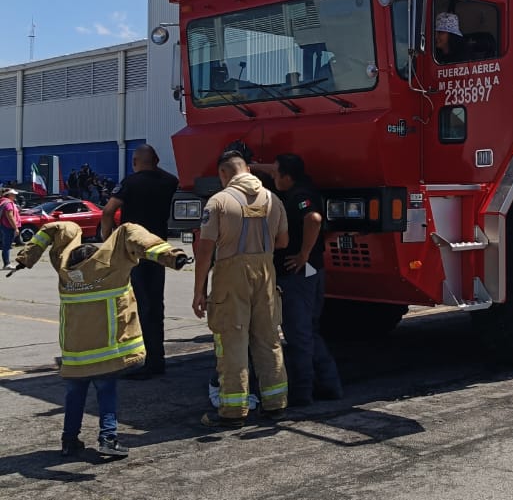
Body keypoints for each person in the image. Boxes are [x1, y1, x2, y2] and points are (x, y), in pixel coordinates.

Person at [14, 219, 189, 458]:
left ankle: (69, 441)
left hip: (75, 355)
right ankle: (108, 438)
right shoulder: (109, 273)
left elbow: (57, 229)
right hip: (105, 351)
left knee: (74, 396)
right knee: (106, 394)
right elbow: (133, 234)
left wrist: (26, 257)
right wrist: (171, 256)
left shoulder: (65, 274)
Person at [192, 151, 289, 428]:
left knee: (231, 341)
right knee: (268, 339)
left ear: (224, 174)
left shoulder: (219, 201)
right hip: (266, 271)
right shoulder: (273, 199)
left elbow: (205, 249)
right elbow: (283, 241)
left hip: (231, 273)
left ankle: (233, 411)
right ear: (247, 169)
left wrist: (200, 290)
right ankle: (275, 405)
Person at [256, 153, 343, 406]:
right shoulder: (305, 186)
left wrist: (303, 253)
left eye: (275, 174)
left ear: (287, 177)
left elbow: (314, 219)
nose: (272, 177)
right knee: (310, 332)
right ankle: (329, 385)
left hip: (298, 275)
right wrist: (253, 165)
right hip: (312, 271)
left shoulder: (298, 196)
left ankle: (303, 392)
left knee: (298, 334)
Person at [100, 145, 179, 379]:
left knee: (137, 305)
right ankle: (158, 358)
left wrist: (109, 239)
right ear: (156, 159)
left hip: (134, 251)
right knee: (156, 304)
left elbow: (108, 211)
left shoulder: (131, 182)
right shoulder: (170, 180)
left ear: (135, 161)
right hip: (160, 249)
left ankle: (146, 361)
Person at [1, 187, 22, 268]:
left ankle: (6, 263)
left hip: (4, 226)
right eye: (13, 194)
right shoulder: (8, 203)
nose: (15, 196)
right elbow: (10, 216)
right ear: (9, 195)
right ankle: (7, 264)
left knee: (6, 245)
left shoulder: (4, 201)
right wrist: (16, 228)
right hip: (8, 227)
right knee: (7, 246)